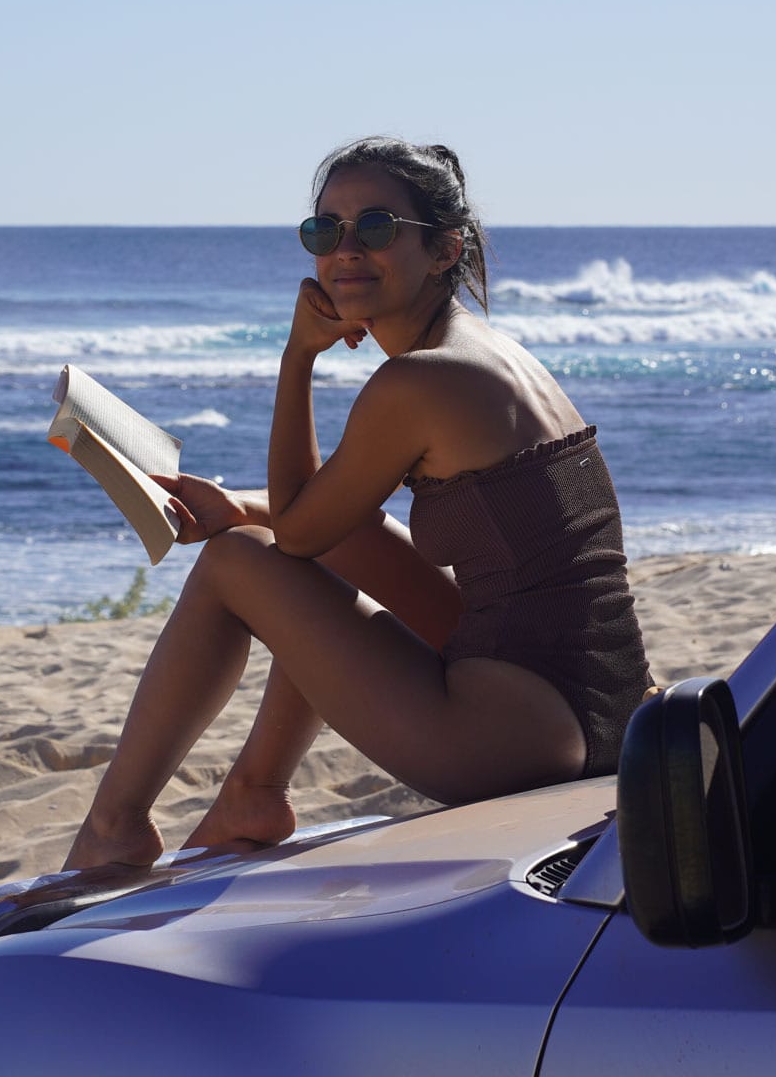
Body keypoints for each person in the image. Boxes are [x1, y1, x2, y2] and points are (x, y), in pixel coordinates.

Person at [64, 137, 652, 870]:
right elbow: (337, 525)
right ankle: (254, 791)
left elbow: (303, 533)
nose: (345, 250)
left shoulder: (416, 383)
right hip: (604, 711)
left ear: (444, 250)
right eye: (325, 230)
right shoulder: (485, 354)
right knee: (311, 540)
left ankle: (117, 824)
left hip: (514, 737)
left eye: (375, 228)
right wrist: (238, 505)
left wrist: (298, 356)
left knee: (235, 562)